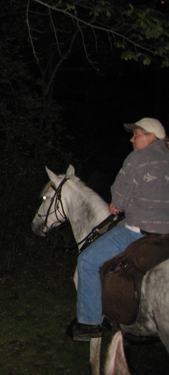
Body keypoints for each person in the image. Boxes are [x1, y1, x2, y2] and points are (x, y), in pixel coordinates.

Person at [72, 117, 169, 341]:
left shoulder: (138, 158)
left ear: (151, 137)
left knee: (86, 261)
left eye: (137, 134)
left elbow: (119, 198)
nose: (131, 138)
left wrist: (118, 204)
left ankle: (89, 323)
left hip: (139, 230)